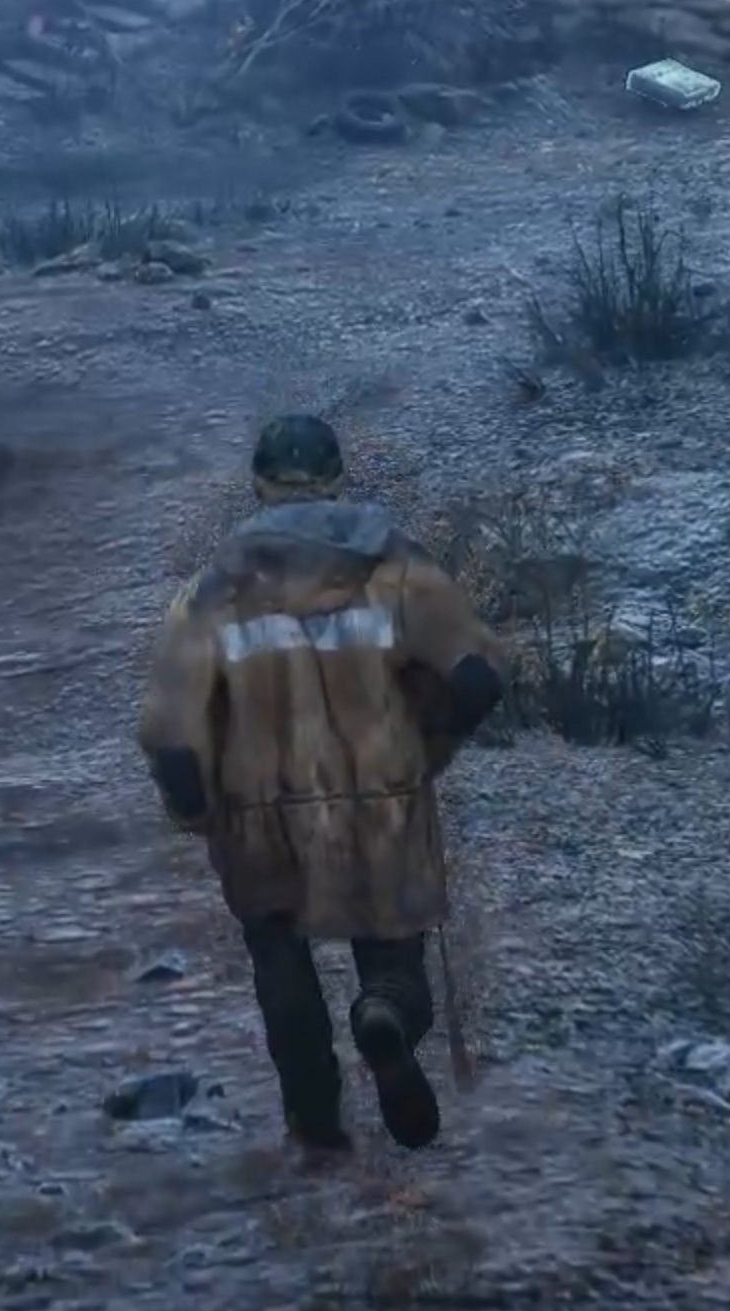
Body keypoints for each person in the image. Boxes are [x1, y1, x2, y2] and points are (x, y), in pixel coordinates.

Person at [135, 414, 509, 1153]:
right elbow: (478, 679)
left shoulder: (212, 592)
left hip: (259, 815)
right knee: (393, 950)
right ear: (338, 480)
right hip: (383, 803)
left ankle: (316, 1135)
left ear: (258, 487)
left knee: (278, 958)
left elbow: (168, 732)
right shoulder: (396, 568)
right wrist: (427, 748)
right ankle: (384, 1013)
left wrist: (195, 808)